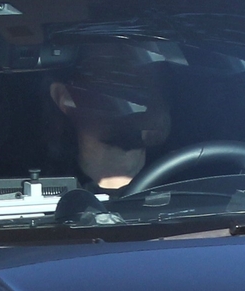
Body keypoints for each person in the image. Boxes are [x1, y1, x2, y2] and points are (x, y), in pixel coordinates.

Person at [47, 37, 173, 190]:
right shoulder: (31, 197)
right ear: (64, 97)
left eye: (151, 74)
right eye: (117, 75)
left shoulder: (198, 185)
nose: (141, 93)